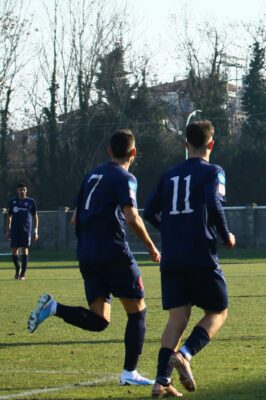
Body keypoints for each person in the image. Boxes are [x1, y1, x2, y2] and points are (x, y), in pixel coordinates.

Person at [27, 129, 161, 387]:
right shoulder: (126, 177)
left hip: (87, 253)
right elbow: (132, 217)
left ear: (109, 150)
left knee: (100, 320)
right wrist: (153, 248)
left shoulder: (91, 176)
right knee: (138, 312)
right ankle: (129, 373)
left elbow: (75, 218)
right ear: (133, 153)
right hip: (113, 252)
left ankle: (53, 307)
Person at [143, 120, 236, 398]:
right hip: (200, 253)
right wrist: (226, 234)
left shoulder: (169, 174)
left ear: (186, 145)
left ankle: (161, 381)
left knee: (177, 318)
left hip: (172, 256)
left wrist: (170, 230)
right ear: (211, 144)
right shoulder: (213, 172)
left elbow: (149, 212)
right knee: (219, 312)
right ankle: (185, 354)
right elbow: (214, 202)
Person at [6, 183, 38, 280]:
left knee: (25, 249)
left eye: (24, 189)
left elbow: (35, 216)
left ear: (26, 190)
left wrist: (35, 230)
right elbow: (9, 217)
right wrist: (8, 230)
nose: (22, 191)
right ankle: (17, 269)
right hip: (15, 230)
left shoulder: (31, 202)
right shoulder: (12, 202)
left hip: (26, 230)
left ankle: (23, 274)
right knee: (14, 250)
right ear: (17, 191)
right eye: (20, 189)